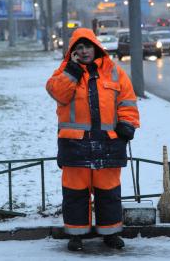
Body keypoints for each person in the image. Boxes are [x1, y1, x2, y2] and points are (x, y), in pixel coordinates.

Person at [46, 28, 140, 251]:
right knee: (75, 192)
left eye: (87, 46)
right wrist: (73, 70)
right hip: (74, 143)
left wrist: (127, 124)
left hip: (108, 142)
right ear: (72, 52)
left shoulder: (114, 71)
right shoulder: (64, 72)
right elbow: (58, 92)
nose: (84, 51)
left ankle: (110, 234)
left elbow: (127, 101)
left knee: (108, 191)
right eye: (78, 48)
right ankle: (76, 235)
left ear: (96, 47)